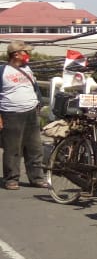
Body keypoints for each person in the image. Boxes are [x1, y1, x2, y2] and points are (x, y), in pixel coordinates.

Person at [0, 40, 48, 190]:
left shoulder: (27, 69)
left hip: (31, 113)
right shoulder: (3, 71)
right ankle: (11, 179)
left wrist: (38, 104)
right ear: (16, 54)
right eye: (25, 52)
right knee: (12, 149)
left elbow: (34, 88)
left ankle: (37, 178)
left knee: (35, 148)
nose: (28, 55)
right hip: (11, 114)